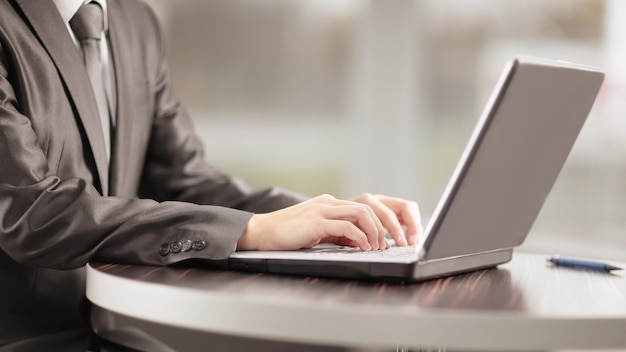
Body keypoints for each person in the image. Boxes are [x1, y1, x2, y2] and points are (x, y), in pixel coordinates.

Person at [0, 0, 421, 350]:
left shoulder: (135, 21)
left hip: (103, 330)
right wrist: (248, 230)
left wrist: (322, 217)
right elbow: (33, 213)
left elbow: (186, 178)